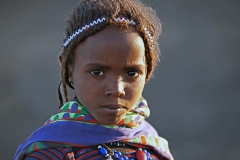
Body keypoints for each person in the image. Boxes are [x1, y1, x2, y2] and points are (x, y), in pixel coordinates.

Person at [14, 0, 174, 159]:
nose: (116, 89)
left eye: (131, 73)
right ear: (68, 69)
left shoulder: (153, 147)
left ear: (148, 71)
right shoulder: (47, 153)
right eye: (97, 72)